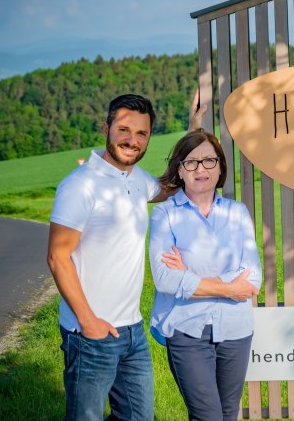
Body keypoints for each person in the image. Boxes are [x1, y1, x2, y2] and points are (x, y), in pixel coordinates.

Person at [47, 94, 164, 420]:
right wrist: (89, 322)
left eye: (142, 133)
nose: (132, 140)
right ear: (106, 128)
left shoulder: (137, 179)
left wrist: (196, 125)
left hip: (132, 332)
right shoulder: (79, 186)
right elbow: (58, 257)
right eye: (124, 130)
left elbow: (168, 187)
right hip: (90, 334)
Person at [149, 129, 261, 421]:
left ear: (221, 167)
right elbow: (165, 279)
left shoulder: (237, 213)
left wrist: (189, 275)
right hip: (187, 330)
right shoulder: (165, 215)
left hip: (235, 330)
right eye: (191, 162)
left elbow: (253, 279)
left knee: (227, 415)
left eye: (209, 161)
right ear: (180, 171)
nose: (201, 169)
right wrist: (229, 288)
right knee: (208, 417)